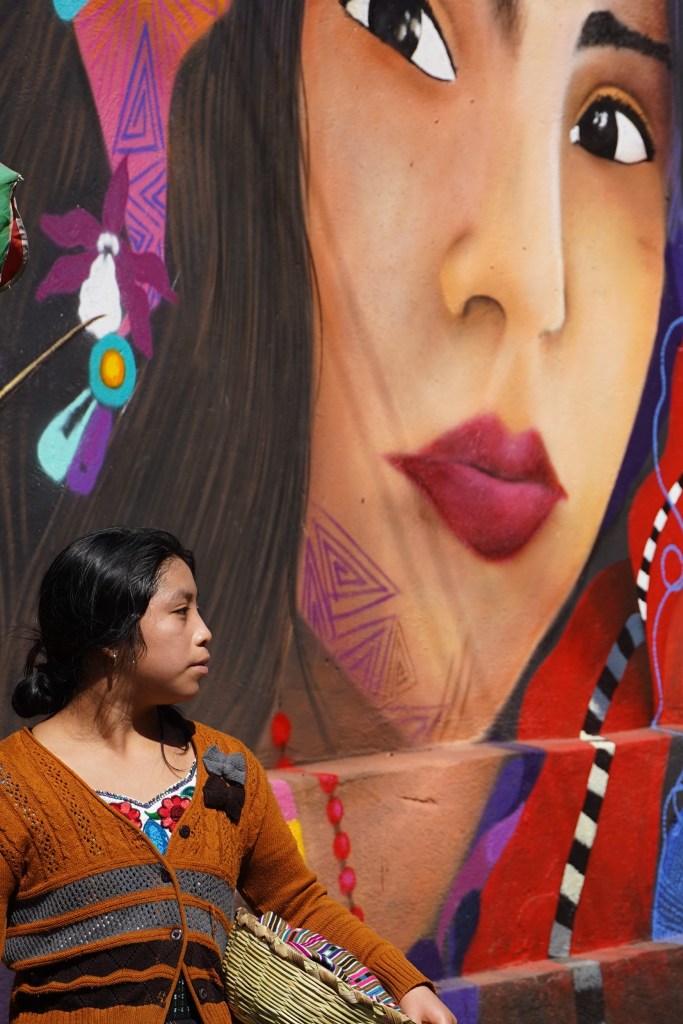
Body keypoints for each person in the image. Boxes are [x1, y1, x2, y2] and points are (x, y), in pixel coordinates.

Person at [0, 526, 455, 1024]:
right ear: (110, 635)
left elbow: (296, 902)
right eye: (181, 611)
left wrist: (404, 983)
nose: (204, 630)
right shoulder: (15, 785)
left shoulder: (226, 765)